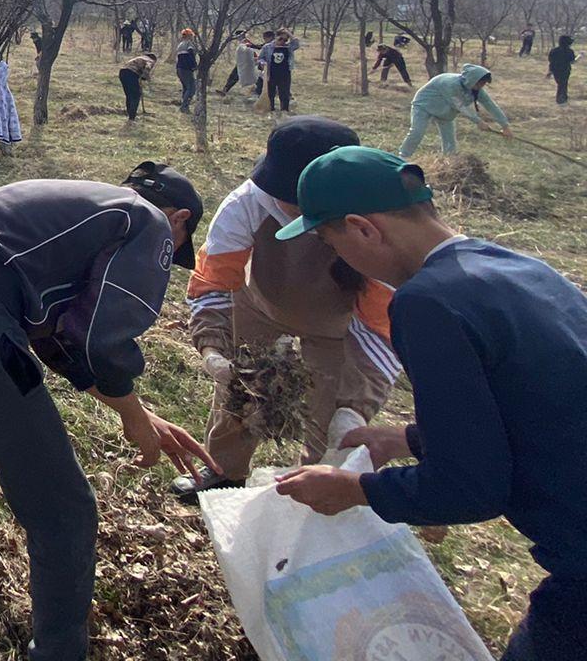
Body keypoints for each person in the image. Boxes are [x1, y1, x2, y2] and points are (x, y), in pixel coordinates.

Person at [271, 146, 587, 661]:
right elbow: (539, 402)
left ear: (363, 229)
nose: (340, 260)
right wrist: (408, 438)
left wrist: (356, 490)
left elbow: (469, 487)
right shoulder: (519, 267)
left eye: (332, 243)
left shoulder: (427, 302)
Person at [0, 164, 214, 661]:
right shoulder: (150, 222)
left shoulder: (89, 205)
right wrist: (134, 418)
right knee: (66, 510)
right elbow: (99, 340)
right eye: (179, 241)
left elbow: (60, 338)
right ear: (179, 217)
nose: (169, 252)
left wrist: (137, 413)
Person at [171, 117, 400, 499]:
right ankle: (224, 473)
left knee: (331, 416)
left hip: (337, 326)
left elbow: (381, 326)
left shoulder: (375, 225)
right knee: (241, 389)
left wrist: (355, 405)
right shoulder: (247, 203)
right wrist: (212, 347)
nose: (284, 202)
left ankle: (317, 486)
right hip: (259, 304)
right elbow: (214, 278)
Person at [399, 63, 510, 157]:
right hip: (424, 106)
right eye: (480, 83)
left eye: (483, 84)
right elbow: (459, 105)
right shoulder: (450, 83)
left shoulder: (476, 89)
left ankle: (449, 163)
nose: (482, 86)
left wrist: (505, 126)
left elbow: (490, 105)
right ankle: (403, 156)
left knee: (450, 143)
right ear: (471, 80)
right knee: (417, 132)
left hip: (446, 113)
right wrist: (478, 121)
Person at [259, 29, 295, 112]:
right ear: (276, 37)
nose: (282, 41)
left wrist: (288, 33)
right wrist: (263, 63)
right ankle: (271, 109)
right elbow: (261, 58)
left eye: (285, 40)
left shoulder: (288, 47)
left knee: (284, 93)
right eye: (280, 39)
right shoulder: (267, 47)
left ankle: (284, 110)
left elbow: (296, 43)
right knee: (270, 93)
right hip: (271, 73)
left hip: (285, 74)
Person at [118, 52, 155, 120]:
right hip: (131, 73)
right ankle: (132, 117)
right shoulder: (150, 60)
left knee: (129, 95)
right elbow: (147, 67)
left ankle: (130, 114)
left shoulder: (139, 58)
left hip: (122, 72)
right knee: (136, 95)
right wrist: (145, 77)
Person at [174, 28, 198, 112]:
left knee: (185, 87)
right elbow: (190, 56)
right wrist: (194, 66)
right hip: (186, 69)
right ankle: (184, 106)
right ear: (189, 35)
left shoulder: (180, 44)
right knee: (191, 88)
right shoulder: (189, 44)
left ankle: (184, 106)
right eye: (191, 35)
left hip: (179, 68)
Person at [547, 34, 575, 105]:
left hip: (555, 70)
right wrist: (580, 56)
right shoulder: (570, 51)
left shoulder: (554, 51)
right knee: (563, 84)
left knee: (560, 84)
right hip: (565, 70)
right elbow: (572, 61)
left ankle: (563, 97)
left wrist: (550, 71)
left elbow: (551, 61)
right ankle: (561, 99)